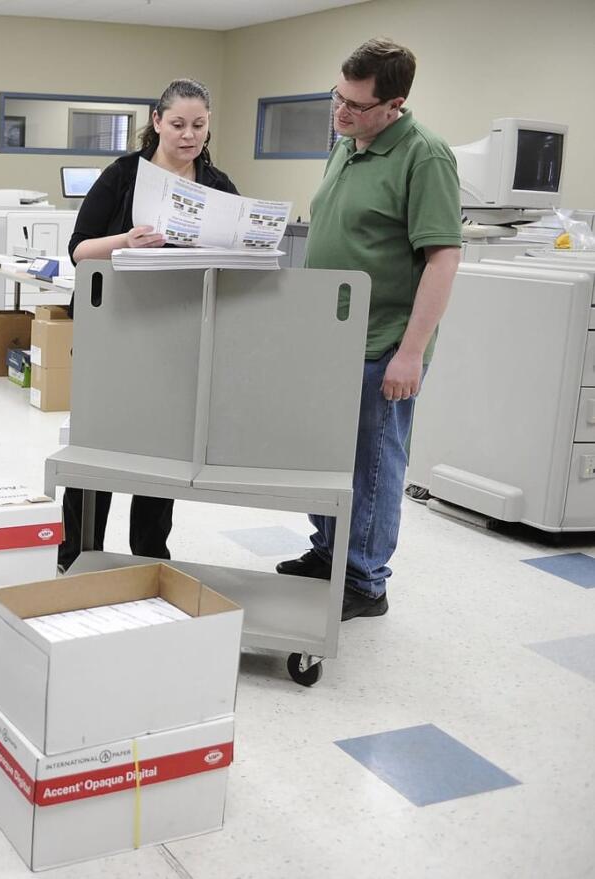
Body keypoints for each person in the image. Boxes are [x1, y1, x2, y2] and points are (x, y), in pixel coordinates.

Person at [276, 39, 461, 619]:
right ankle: (329, 553)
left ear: (394, 104)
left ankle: (363, 579)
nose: (341, 112)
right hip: (331, 340)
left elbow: (442, 259)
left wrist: (412, 352)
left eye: (356, 105)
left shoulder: (424, 157)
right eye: (338, 97)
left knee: (372, 465)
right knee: (325, 455)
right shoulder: (349, 145)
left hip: (383, 344)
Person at [59, 78, 239, 571]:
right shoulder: (123, 175)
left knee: (162, 451)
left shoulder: (218, 186)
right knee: (98, 444)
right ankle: (78, 551)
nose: (189, 135)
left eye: (199, 125)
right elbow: (79, 249)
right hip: (111, 327)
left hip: (178, 333)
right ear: (156, 122)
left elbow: (238, 257)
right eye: (178, 124)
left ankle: (150, 555)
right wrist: (126, 241)